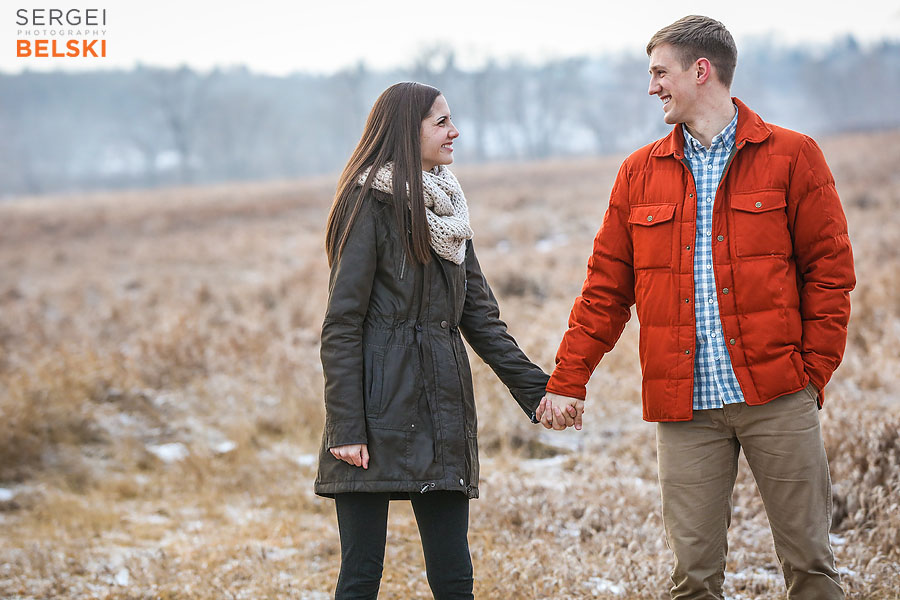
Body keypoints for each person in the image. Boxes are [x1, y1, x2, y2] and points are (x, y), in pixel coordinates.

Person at [537, 15, 855, 600]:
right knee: (693, 581)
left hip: (779, 398)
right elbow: (605, 290)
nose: (652, 85)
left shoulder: (792, 156)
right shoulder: (638, 173)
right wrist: (568, 378)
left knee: (811, 568)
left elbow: (830, 275)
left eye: (660, 72)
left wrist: (811, 377)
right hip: (685, 411)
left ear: (700, 71)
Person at [314, 82, 556, 599]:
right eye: (441, 122)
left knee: (453, 577)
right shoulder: (367, 204)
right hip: (373, 417)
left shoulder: (448, 212)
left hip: (441, 412)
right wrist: (346, 426)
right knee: (361, 576)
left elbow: (481, 319)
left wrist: (540, 392)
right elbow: (342, 324)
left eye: (451, 120)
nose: (455, 131)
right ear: (408, 131)